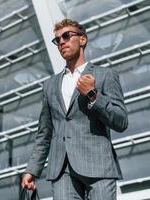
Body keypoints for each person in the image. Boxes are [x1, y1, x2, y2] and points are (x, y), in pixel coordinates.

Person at [21, 18, 128, 200]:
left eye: (66, 36)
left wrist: (94, 95)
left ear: (82, 40)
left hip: (99, 165)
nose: (61, 42)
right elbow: (45, 133)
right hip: (63, 170)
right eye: (57, 40)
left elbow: (121, 121)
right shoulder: (49, 85)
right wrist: (32, 170)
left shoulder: (105, 76)